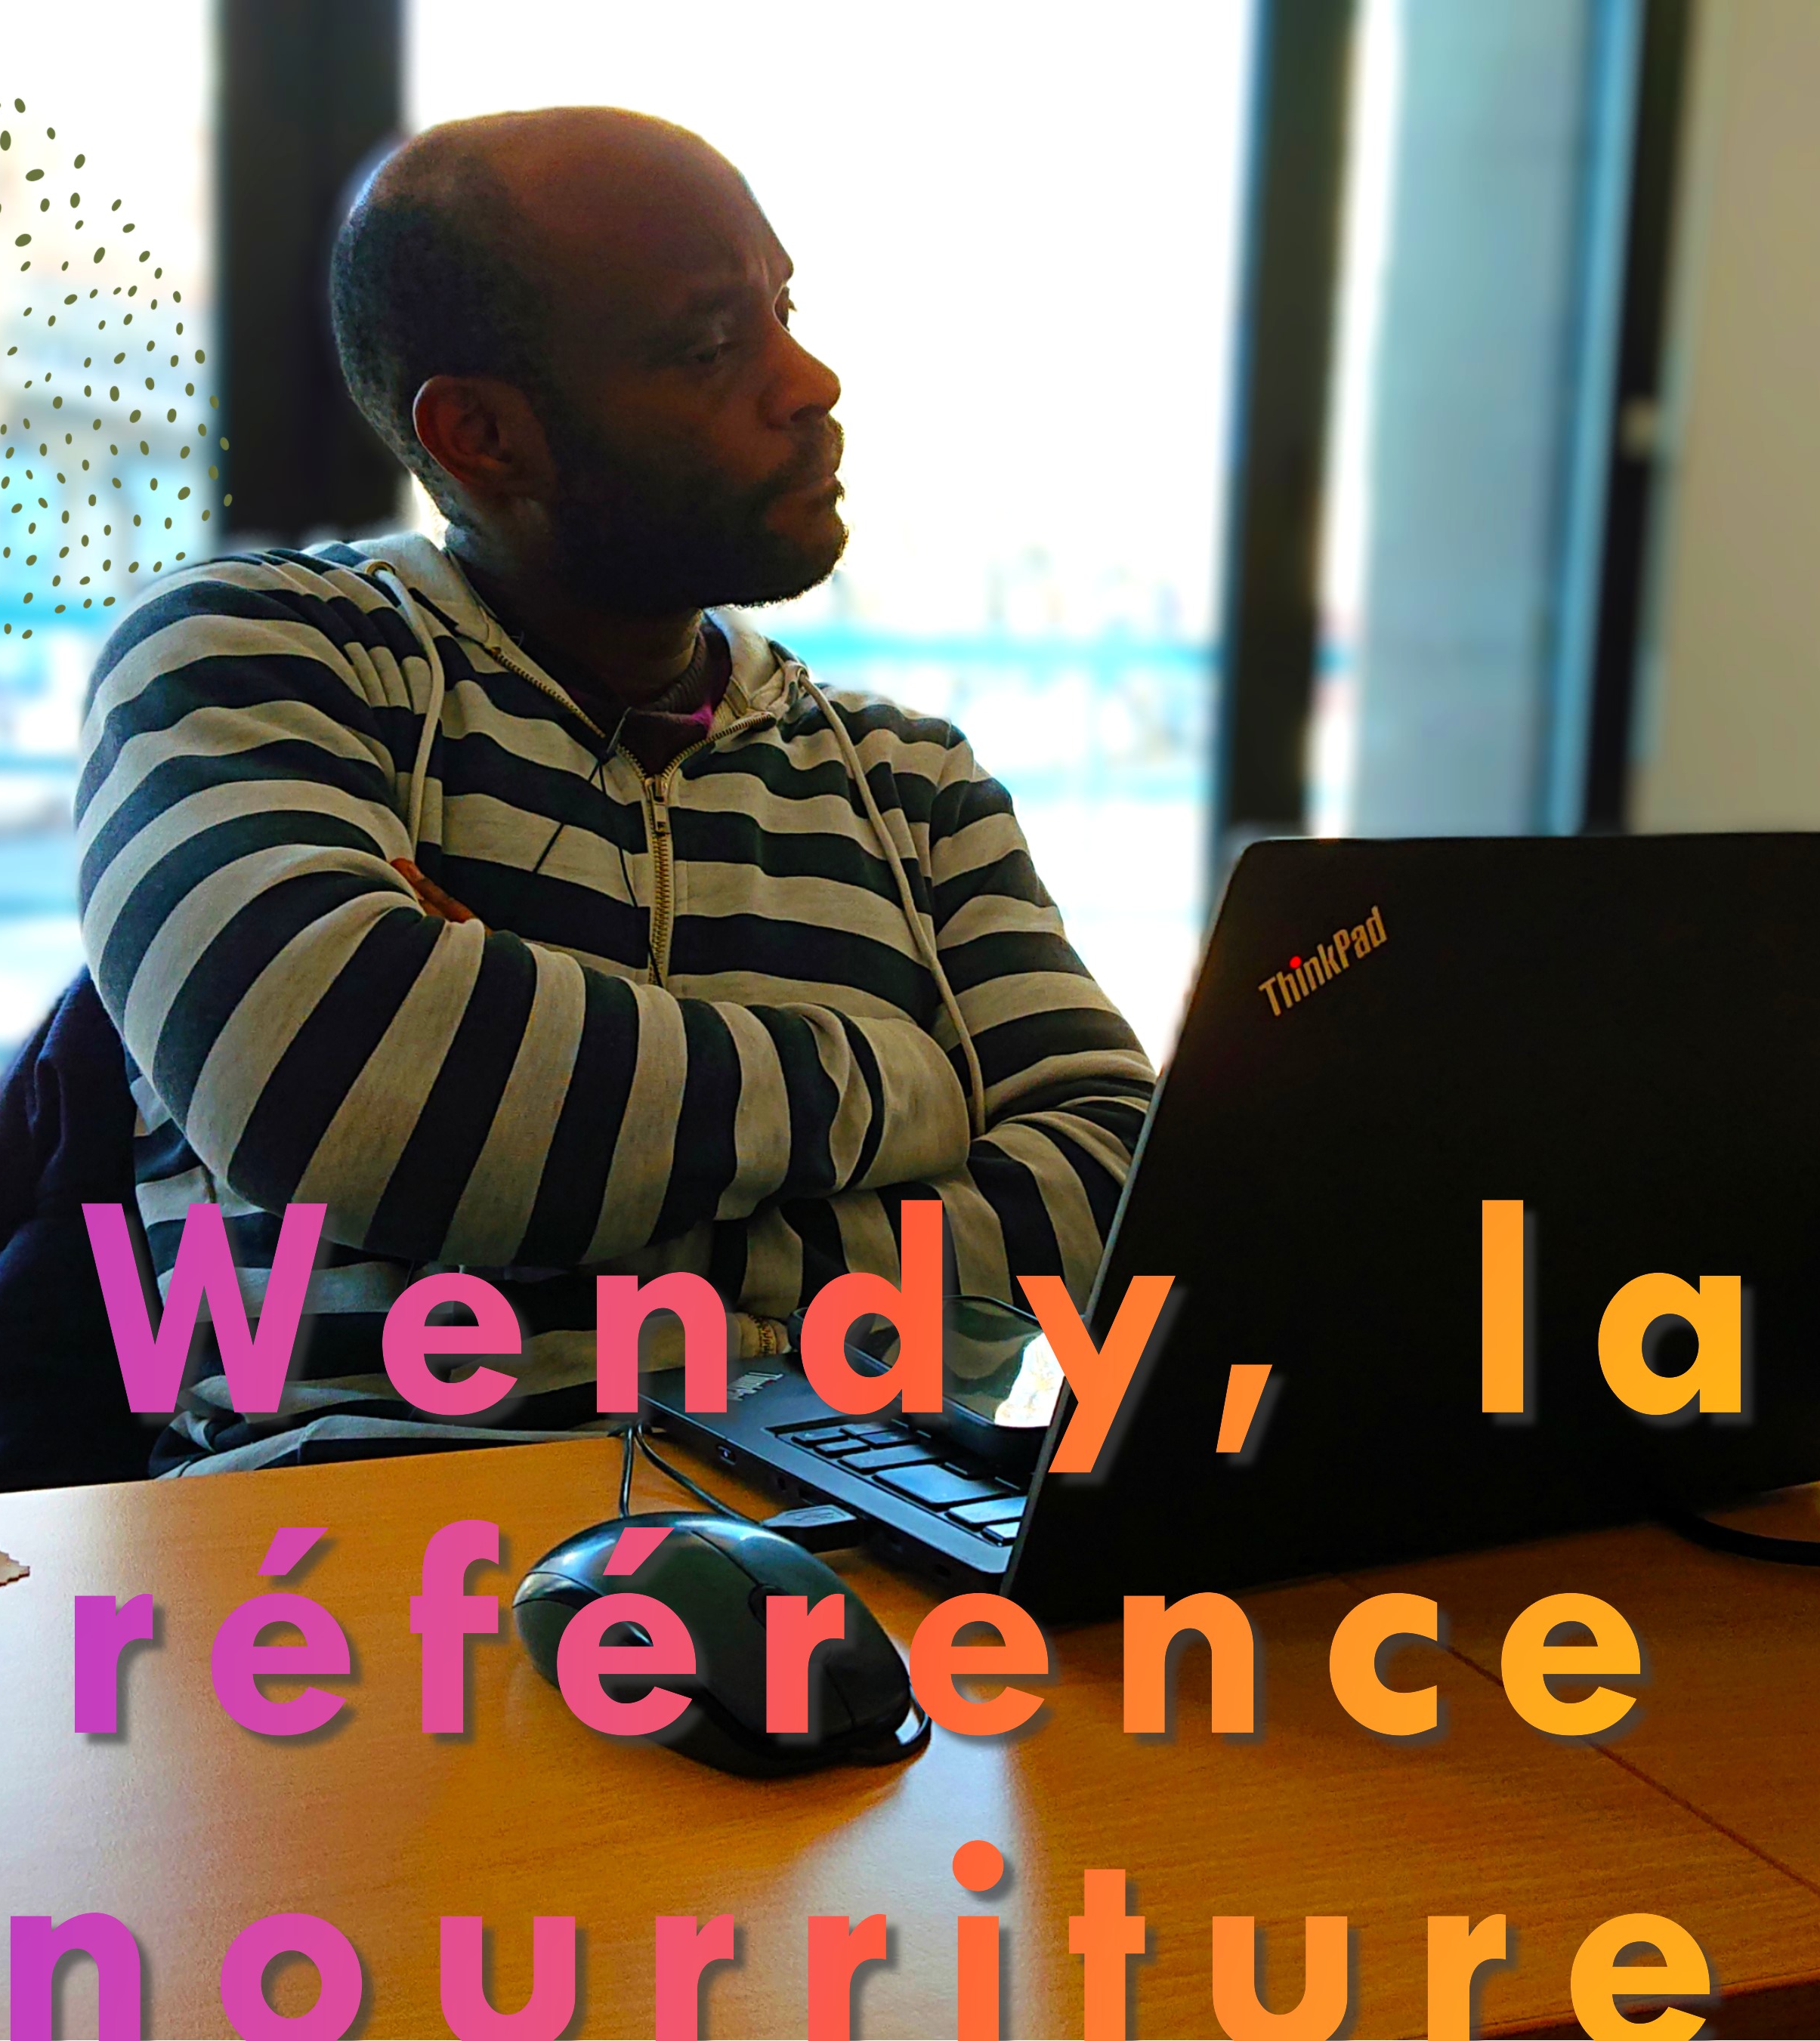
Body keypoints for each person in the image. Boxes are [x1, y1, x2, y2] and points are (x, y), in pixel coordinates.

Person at [78, 107, 1156, 1473]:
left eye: (783, 313)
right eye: (710, 347)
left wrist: (538, 1218)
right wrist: (899, 1083)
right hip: (353, 1540)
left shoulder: (911, 781)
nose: (809, 380)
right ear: (483, 436)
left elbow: (1115, 1186)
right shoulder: (260, 653)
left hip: (850, 1535)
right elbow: (331, 1081)